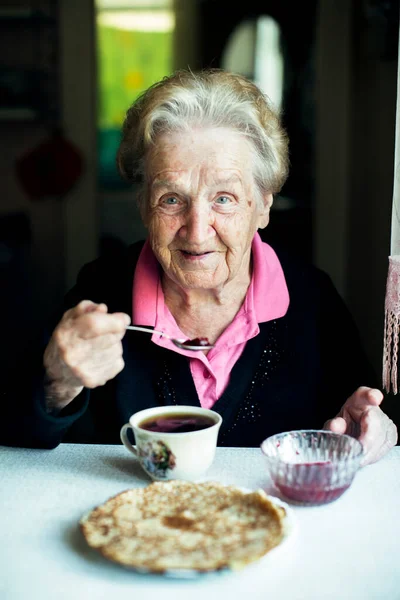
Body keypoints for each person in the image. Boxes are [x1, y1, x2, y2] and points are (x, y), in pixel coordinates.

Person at [3, 69, 397, 464]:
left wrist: (372, 428)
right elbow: (21, 438)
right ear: (143, 205)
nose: (196, 232)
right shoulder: (102, 294)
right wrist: (56, 385)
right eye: (172, 199)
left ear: (262, 205)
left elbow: (366, 416)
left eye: (224, 198)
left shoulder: (312, 300)